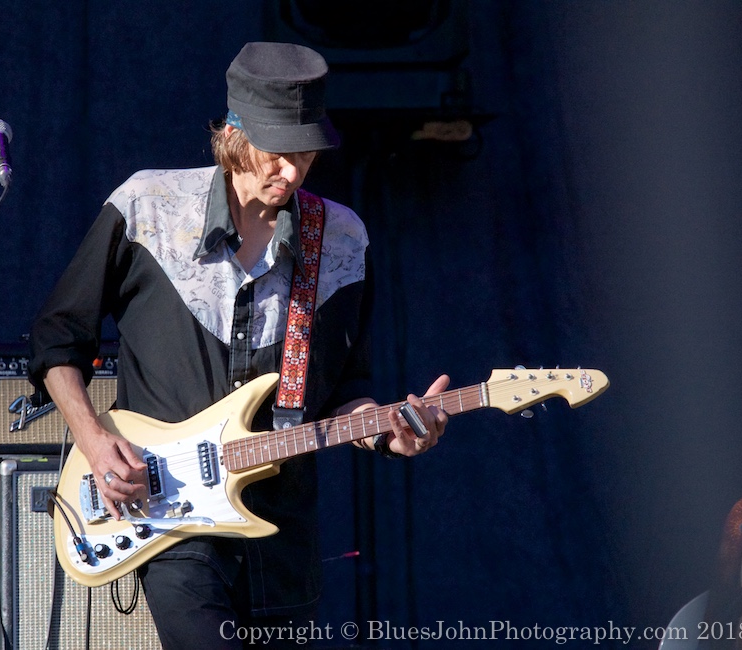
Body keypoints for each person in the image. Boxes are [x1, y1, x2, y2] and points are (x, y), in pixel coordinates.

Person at [28, 41, 449, 649]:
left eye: (306, 155)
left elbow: (346, 390)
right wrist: (93, 440)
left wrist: (390, 431)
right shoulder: (148, 209)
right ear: (233, 136)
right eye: (278, 153)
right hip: (173, 525)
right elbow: (57, 338)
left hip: (283, 538)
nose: (292, 173)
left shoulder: (342, 241)